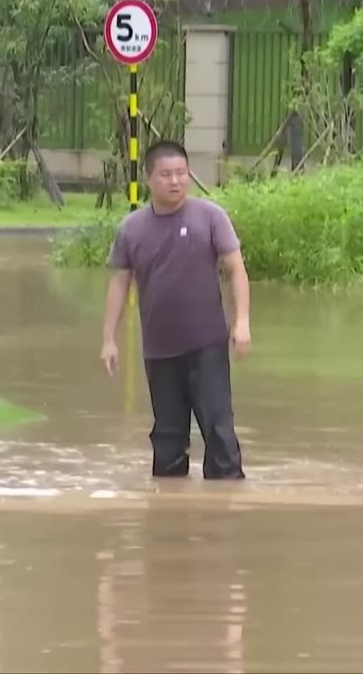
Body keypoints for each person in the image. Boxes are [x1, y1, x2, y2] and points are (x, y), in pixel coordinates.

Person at [99, 140, 250, 480]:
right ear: (148, 179)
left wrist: (242, 323)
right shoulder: (132, 228)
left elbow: (236, 269)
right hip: (159, 349)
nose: (175, 181)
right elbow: (119, 284)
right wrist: (109, 339)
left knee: (219, 432)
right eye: (166, 174)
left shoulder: (210, 216)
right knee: (167, 439)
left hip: (207, 344)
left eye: (182, 173)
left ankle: (226, 508)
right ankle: (167, 513)